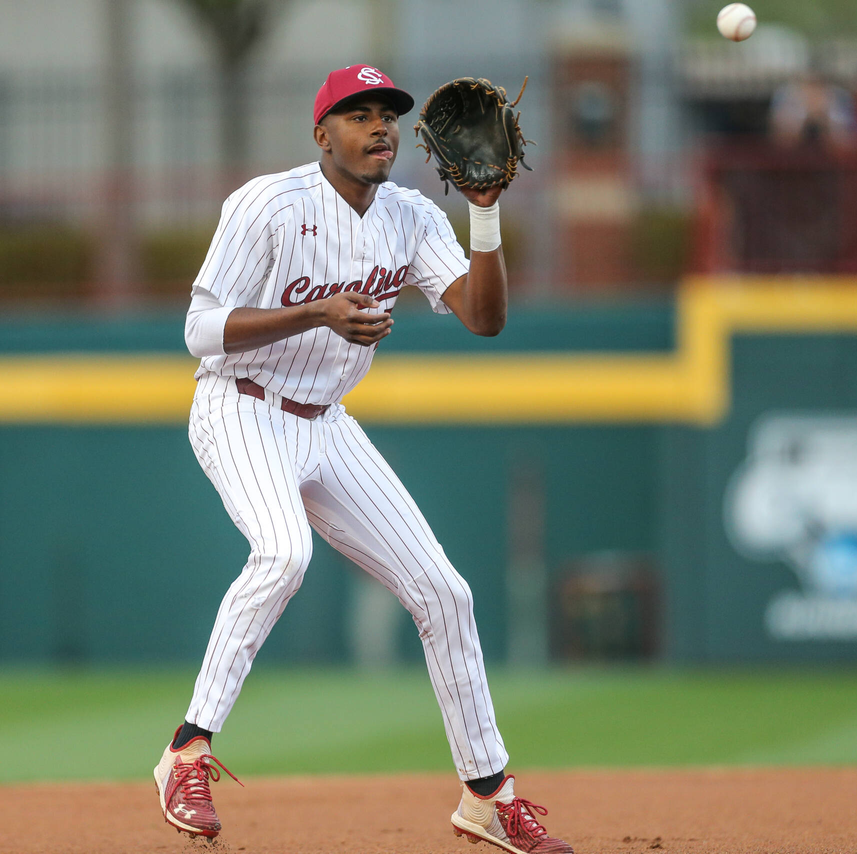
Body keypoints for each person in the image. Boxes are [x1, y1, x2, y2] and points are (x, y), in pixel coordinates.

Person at [152, 64, 573, 854]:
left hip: (329, 423)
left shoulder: (412, 217)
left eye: (387, 113)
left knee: (446, 594)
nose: (378, 126)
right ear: (322, 135)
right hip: (241, 405)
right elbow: (198, 334)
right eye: (357, 113)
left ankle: (488, 797)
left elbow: (483, 319)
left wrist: (483, 214)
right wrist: (315, 310)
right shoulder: (268, 203)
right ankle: (187, 749)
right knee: (282, 554)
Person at [769, 73, 857, 154]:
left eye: (816, 86)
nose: (812, 92)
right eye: (809, 86)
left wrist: (823, 120)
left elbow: (848, 140)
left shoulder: (839, 97)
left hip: (832, 158)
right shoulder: (787, 95)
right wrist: (805, 119)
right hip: (791, 158)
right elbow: (781, 138)